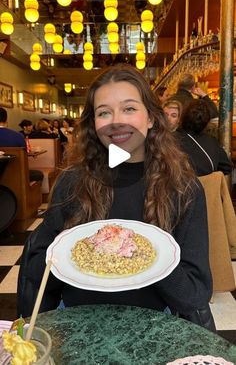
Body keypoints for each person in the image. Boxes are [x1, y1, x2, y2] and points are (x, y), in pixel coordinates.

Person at [19, 65, 215, 330]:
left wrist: (152, 258)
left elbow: (194, 293)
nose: (116, 121)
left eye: (129, 108)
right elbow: (36, 267)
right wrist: (69, 254)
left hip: (156, 326)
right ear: (93, 124)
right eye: (104, 112)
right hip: (77, 322)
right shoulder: (73, 181)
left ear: (151, 118)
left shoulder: (182, 188)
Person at [175, 100, 232, 176]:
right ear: (206, 122)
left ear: (182, 117)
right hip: (209, 187)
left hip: (181, 186)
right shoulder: (212, 141)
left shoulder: (171, 139)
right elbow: (227, 168)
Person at [0, 107, 43, 182]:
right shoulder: (18, 136)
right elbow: (25, 154)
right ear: (6, 120)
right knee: (38, 174)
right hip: (16, 175)